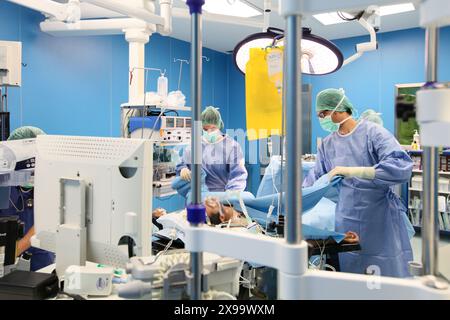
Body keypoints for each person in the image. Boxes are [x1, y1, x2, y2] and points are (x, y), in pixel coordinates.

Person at [303, 88, 414, 278]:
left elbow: (401, 166)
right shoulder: (328, 144)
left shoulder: (373, 133)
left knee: (381, 264)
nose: (321, 119)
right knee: (352, 263)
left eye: (323, 114)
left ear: (337, 110)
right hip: (346, 214)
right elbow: (316, 178)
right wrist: (297, 199)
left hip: (378, 214)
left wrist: (355, 171)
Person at [0, 126, 55, 271]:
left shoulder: (50, 182)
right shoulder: (3, 182)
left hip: (41, 259)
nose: (30, 172)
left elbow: (48, 219)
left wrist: (16, 249)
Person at [176, 106, 248, 192]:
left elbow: (238, 176)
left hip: (222, 198)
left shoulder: (232, 146)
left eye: (213, 128)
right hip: (198, 197)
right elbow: (183, 163)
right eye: (205, 129)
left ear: (219, 125)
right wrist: (182, 169)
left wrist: (229, 197)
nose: (209, 132)